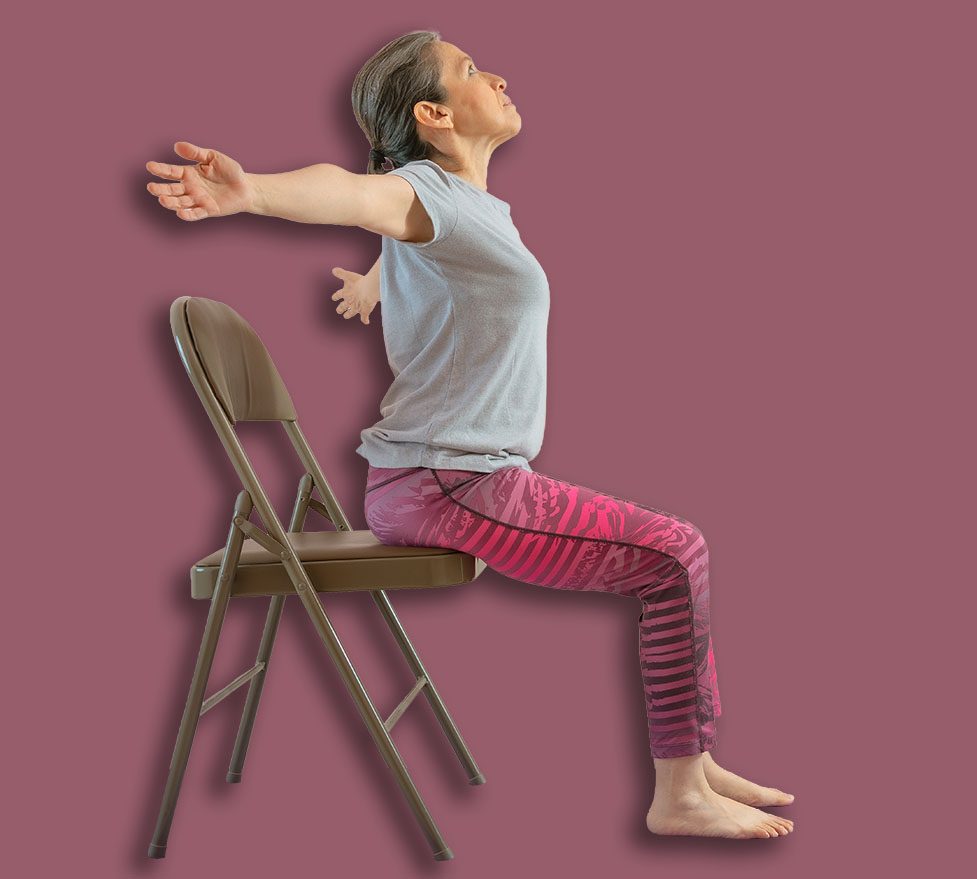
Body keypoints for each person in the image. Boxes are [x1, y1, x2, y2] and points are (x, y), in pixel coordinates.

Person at [145, 30, 793, 841]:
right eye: (468, 70)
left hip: (453, 481)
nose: (496, 74)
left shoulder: (459, 210)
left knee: (677, 555)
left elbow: (410, 234)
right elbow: (352, 192)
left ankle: (692, 759)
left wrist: (375, 282)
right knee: (675, 554)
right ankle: (678, 789)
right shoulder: (426, 192)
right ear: (434, 114)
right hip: (452, 488)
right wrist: (256, 194)